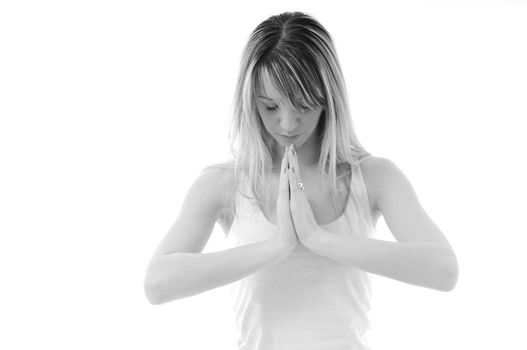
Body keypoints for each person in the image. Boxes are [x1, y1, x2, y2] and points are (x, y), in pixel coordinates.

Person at [143, 11, 459, 350]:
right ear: (250, 102)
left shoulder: (374, 177)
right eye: (270, 106)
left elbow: (443, 270)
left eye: (303, 104)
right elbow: (158, 284)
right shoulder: (224, 183)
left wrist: (316, 238)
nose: (287, 123)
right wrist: (277, 245)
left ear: (328, 98)